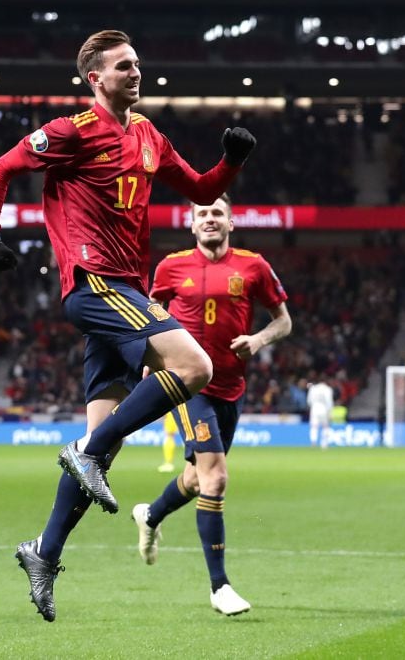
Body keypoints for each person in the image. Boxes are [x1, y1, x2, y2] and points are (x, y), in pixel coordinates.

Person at [0, 30, 256, 622]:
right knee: (194, 366)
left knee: (103, 448)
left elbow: (203, 188)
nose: (136, 72)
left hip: (124, 291)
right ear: (94, 78)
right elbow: (1, 167)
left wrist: (232, 160)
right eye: (123, 66)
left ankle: (44, 552)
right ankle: (87, 451)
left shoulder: (148, 135)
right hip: (96, 284)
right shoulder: (72, 131)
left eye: (138, 64)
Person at [130, 194, 290, 616]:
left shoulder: (253, 266)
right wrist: (151, 361)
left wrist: (258, 340)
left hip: (232, 388)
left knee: (196, 479)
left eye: (217, 213)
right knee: (216, 479)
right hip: (188, 384)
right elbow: (151, 317)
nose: (210, 220)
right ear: (192, 223)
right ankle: (220, 587)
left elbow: (283, 320)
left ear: (231, 222)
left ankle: (151, 514)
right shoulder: (170, 268)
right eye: (202, 214)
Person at [307, 379, 334, 449]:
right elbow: (329, 402)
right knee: (325, 426)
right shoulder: (328, 389)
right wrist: (330, 412)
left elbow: (309, 401)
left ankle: (313, 442)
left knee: (314, 426)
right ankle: (324, 444)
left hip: (314, 409)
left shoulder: (313, 389)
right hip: (324, 409)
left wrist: (312, 407)